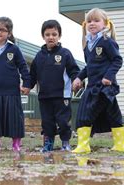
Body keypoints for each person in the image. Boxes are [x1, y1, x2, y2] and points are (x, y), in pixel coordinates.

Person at [72, 8, 124, 154]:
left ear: (105, 24)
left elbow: (117, 60)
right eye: (89, 21)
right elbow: (89, 67)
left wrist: (109, 77)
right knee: (91, 113)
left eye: (96, 20)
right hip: (92, 87)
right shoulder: (87, 46)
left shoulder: (107, 42)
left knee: (107, 114)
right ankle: (83, 145)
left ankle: (120, 145)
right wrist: (79, 77)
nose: (92, 23)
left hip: (105, 87)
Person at [27, 20, 80, 153]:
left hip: (62, 96)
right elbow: (32, 75)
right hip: (44, 97)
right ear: (43, 36)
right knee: (47, 123)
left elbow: (74, 70)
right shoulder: (39, 56)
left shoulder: (65, 54)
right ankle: (48, 144)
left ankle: (65, 143)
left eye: (54, 34)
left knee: (63, 121)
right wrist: (26, 86)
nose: (51, 37)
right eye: (48, 34)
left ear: (59, 36)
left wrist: (76, 80)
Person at [0, 17, 31, 152]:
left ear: (9, 33)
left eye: (3, 30)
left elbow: (23, 67)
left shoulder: (14, 49)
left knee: (15, 117)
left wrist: (27, 83)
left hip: (12, 91)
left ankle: (16, 143)